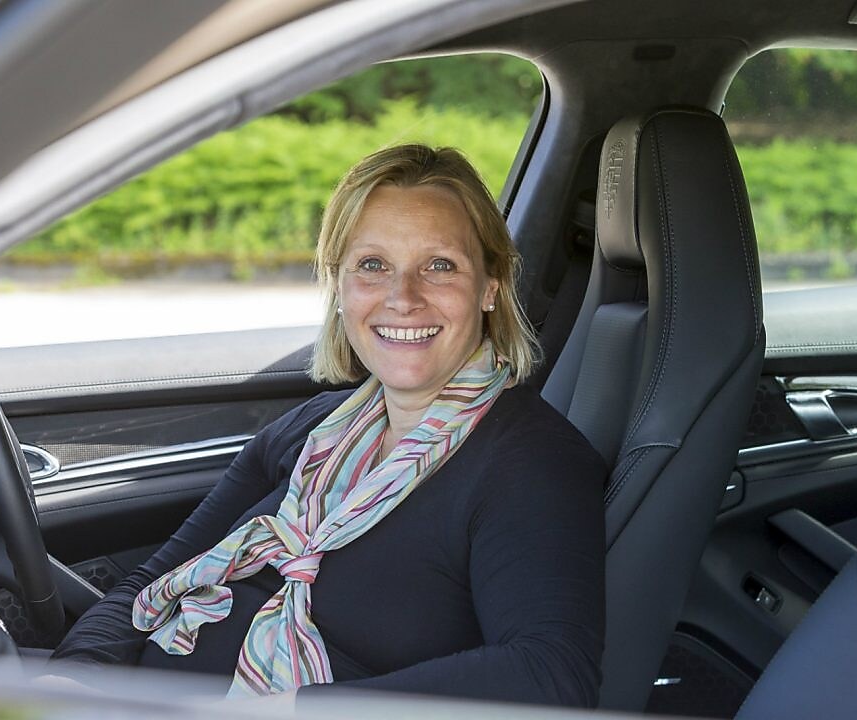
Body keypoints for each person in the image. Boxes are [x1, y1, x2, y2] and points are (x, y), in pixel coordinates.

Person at [47, 144, 607, 707]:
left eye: (439, 266)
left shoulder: (531, 463)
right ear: (339, 288)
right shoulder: (314, 429)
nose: (402, 297)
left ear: (490, 286)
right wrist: (70, 677)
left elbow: (551, 673)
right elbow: (155, 578)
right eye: (372, 265)